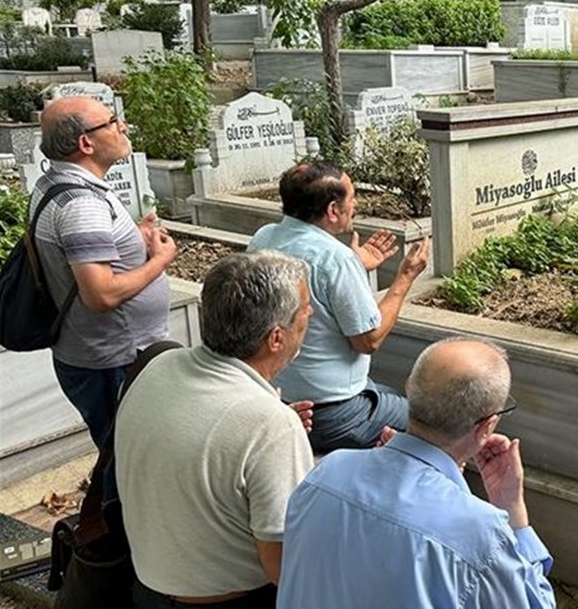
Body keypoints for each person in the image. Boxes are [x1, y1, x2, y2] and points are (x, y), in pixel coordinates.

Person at [277, 337, 555, 608]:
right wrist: (513, 512)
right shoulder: (479, 533)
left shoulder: (327, 472)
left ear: (409, 389)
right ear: (487, 427)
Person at [115, 252, 316, 608]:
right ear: (275, 338)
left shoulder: (158, 365)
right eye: (303, 310)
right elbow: (286, 569)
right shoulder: (269, 424)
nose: (310, 315)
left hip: (145, 589)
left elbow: (197, 448)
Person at [248, 161, 430, 452]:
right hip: (331, 415)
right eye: (351, 197)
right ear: (333, 210)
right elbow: (368, 340)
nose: (355, 203)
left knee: (388, 393)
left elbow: (313, 275)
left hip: (282, 397)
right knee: (428, 424)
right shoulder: (335, 259)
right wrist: (405, 277)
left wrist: (356, 265)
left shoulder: (263, 238)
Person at [29, 96, 175, 450]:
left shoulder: (59, 185)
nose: (122, 127)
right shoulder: (82, 205)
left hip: (105, 355)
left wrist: (134, 238)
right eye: (111, 122)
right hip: (115, 361)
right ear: (85, 143)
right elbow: (101, 295)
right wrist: (160, 259)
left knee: (124, 454)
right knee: (130, 458)